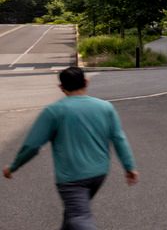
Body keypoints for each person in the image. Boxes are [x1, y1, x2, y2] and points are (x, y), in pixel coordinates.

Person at [3, 65, 138, 229]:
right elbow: (119, 138)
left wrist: (13, 167)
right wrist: (129, 166)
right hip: (99, 173)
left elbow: (32, 145)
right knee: (72, 215)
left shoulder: (54, 111)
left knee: (79, 217)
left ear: (61, 88)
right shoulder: (105, 107)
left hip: (72, 178)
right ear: (86, 82)